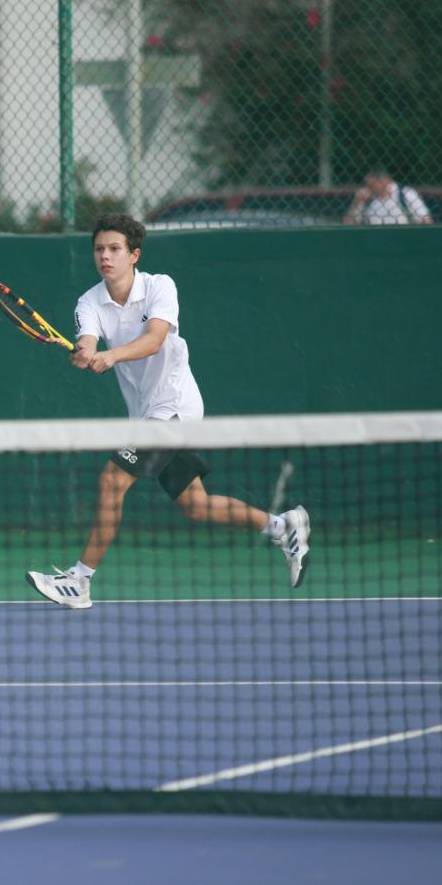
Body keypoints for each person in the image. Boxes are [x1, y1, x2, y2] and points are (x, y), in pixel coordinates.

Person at [26, 214, 309, 609]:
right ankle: (282, 526)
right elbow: (88, 339)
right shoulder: (89, 302)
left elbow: (155, 340)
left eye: (114, 249)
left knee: (112, 480)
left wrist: (111, 355)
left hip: (175, 406)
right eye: (99, 249)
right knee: (195, 505)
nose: (105, 256)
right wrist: (86, 353)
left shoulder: (160, 286)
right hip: (146, 413)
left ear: (134, 255)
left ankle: (79, 581)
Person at [343, 169, 433, 225]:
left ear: (383, 181)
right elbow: (348, 224)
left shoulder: (405, 194)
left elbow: (425, 220)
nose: (368, 188)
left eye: (371, 186)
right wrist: (356, 202)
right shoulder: (367, 198)